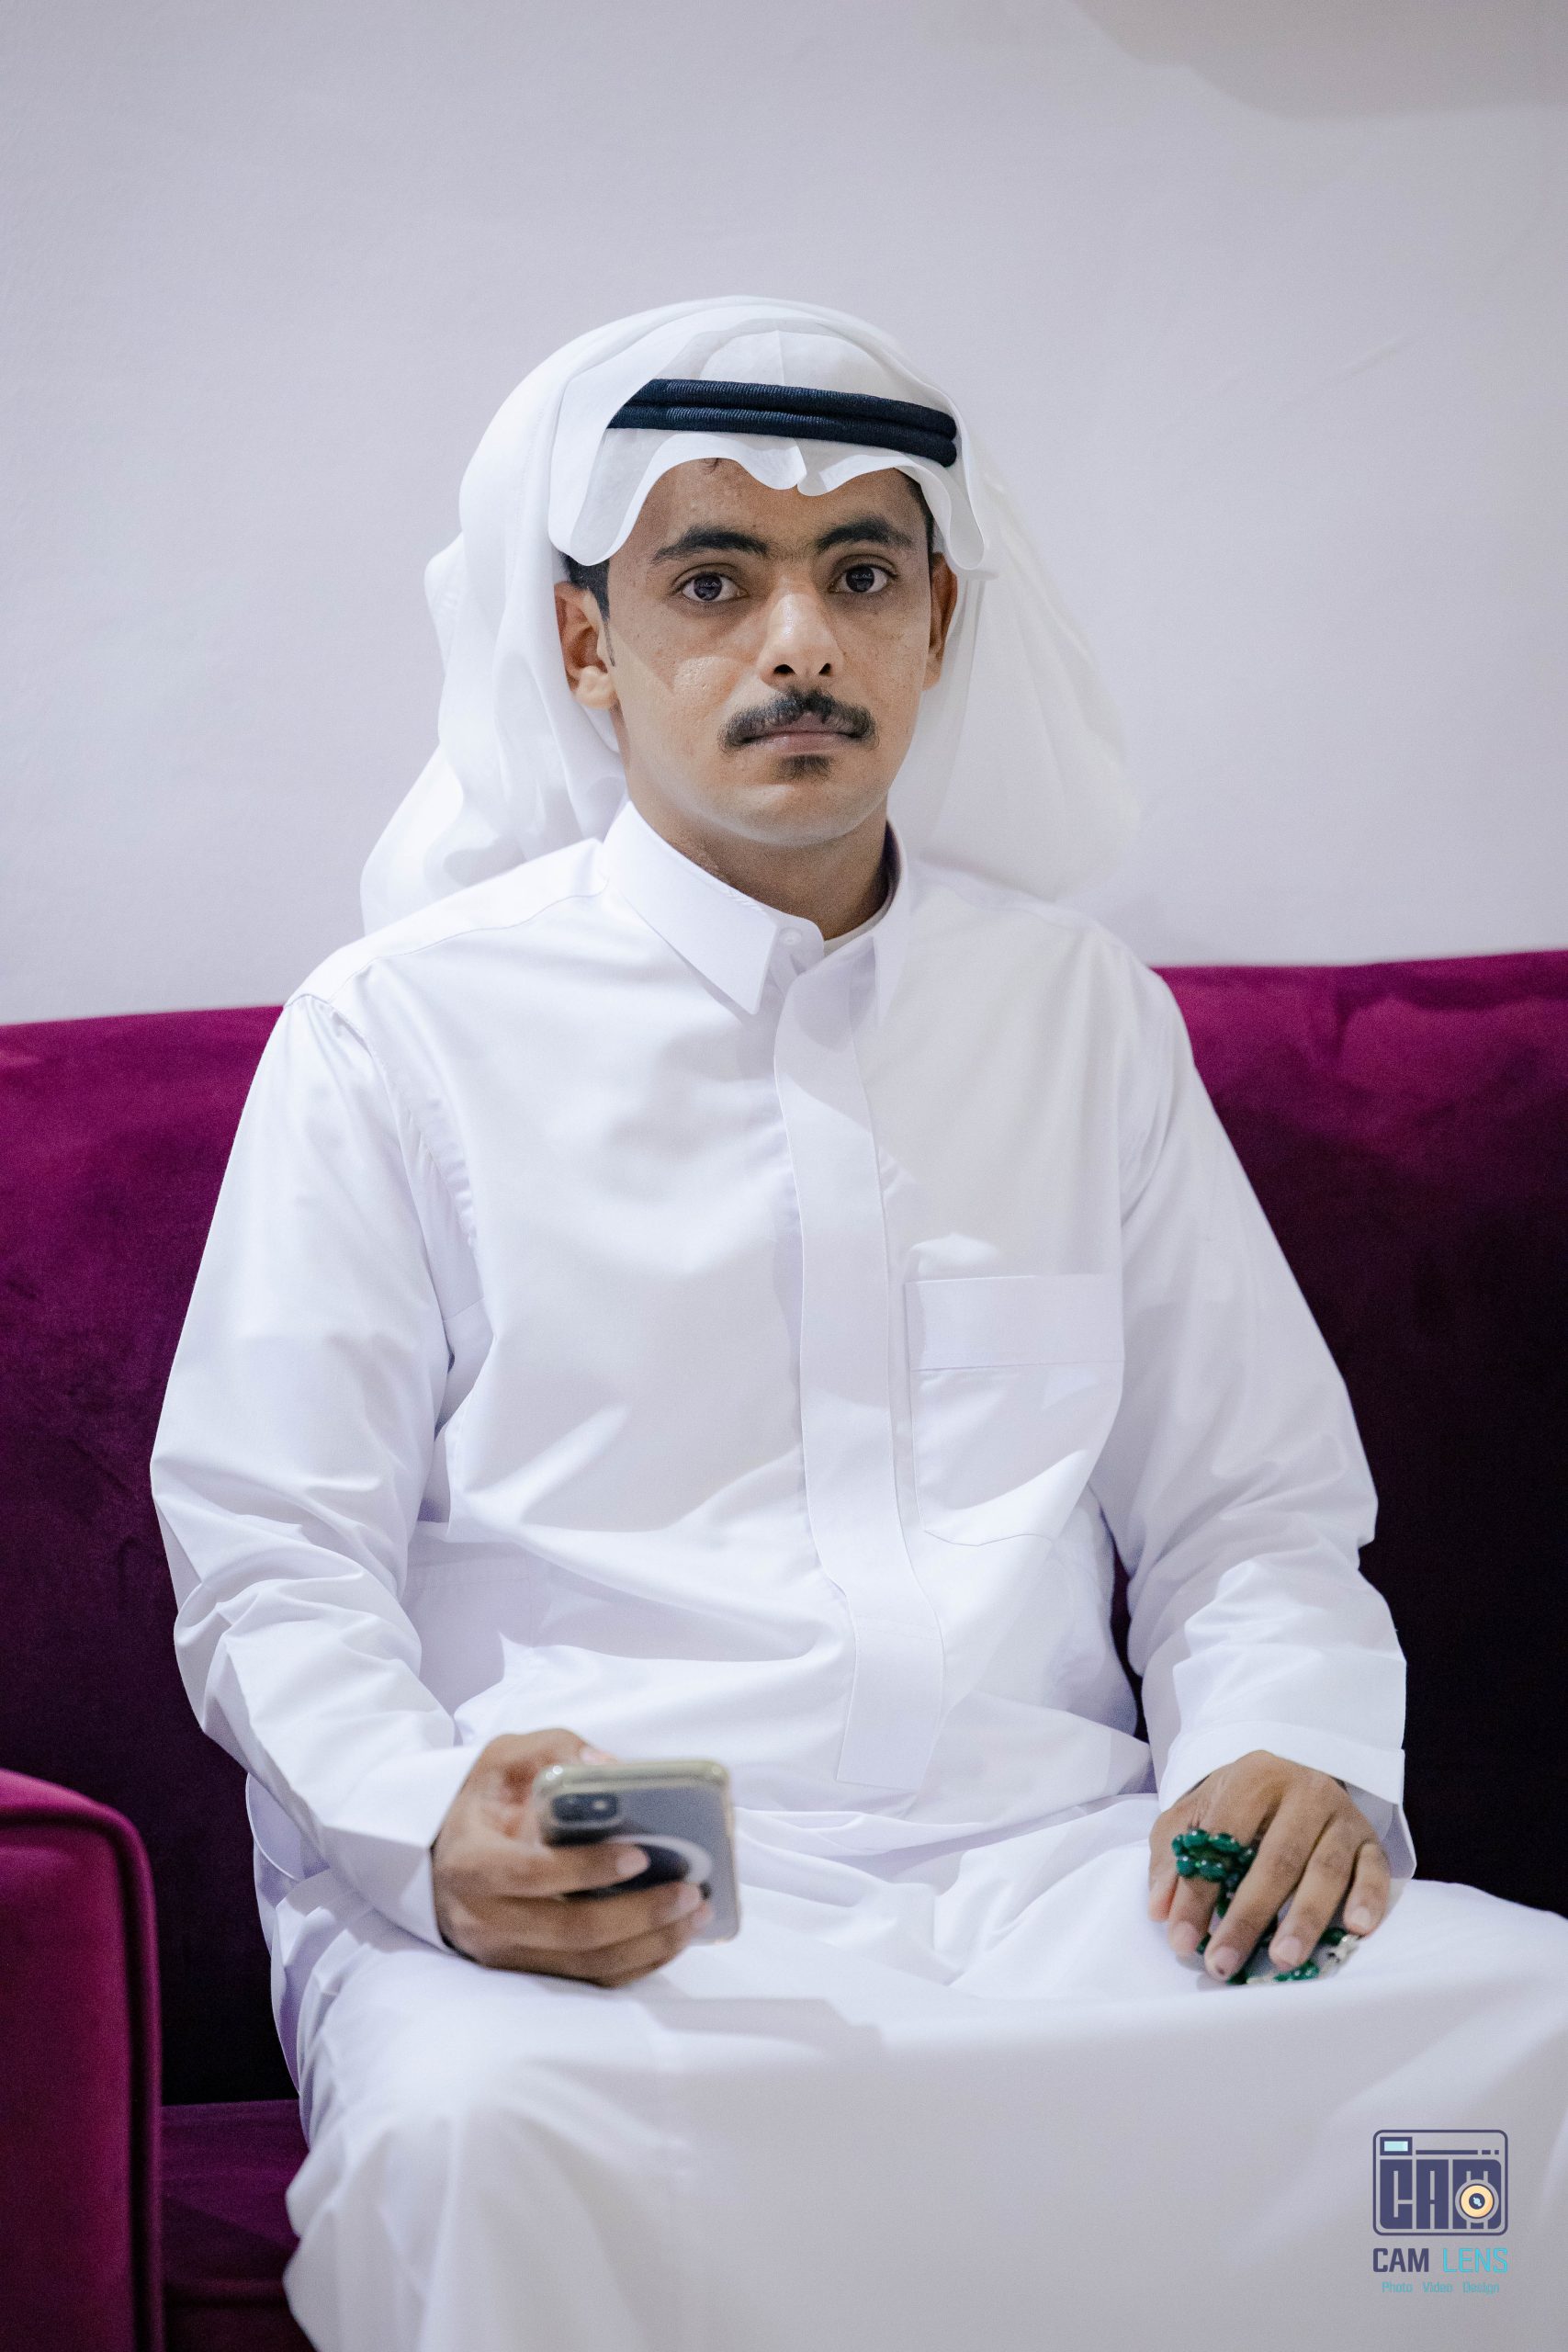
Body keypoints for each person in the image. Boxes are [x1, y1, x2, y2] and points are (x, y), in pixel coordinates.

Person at [150, 298, 1568, 2352]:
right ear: (582, 644)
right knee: (488, 2137)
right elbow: (274, 1554)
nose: (800, 642)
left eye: (863, 575)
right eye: (712, 581)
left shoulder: (1076, 1016)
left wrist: (1287, 1748)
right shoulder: (397, 1034)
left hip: (1068, 1876)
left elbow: (1249, 1508)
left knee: (1520, 2044)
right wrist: (425, 1827)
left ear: (937, 626)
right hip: (623, 1901)